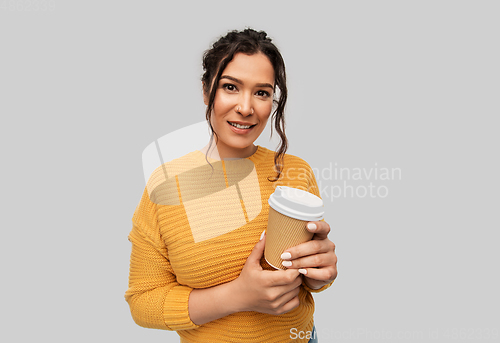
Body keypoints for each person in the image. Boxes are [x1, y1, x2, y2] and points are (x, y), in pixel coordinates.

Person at [125, 28, 338, 343]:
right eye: (230, 87)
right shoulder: (165, 187)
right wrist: (238, 295)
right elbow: (142, 301)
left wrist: (321, 273)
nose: (246, 107)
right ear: (205, 91)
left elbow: (306, 279)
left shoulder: (295, 172)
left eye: (262, 93)